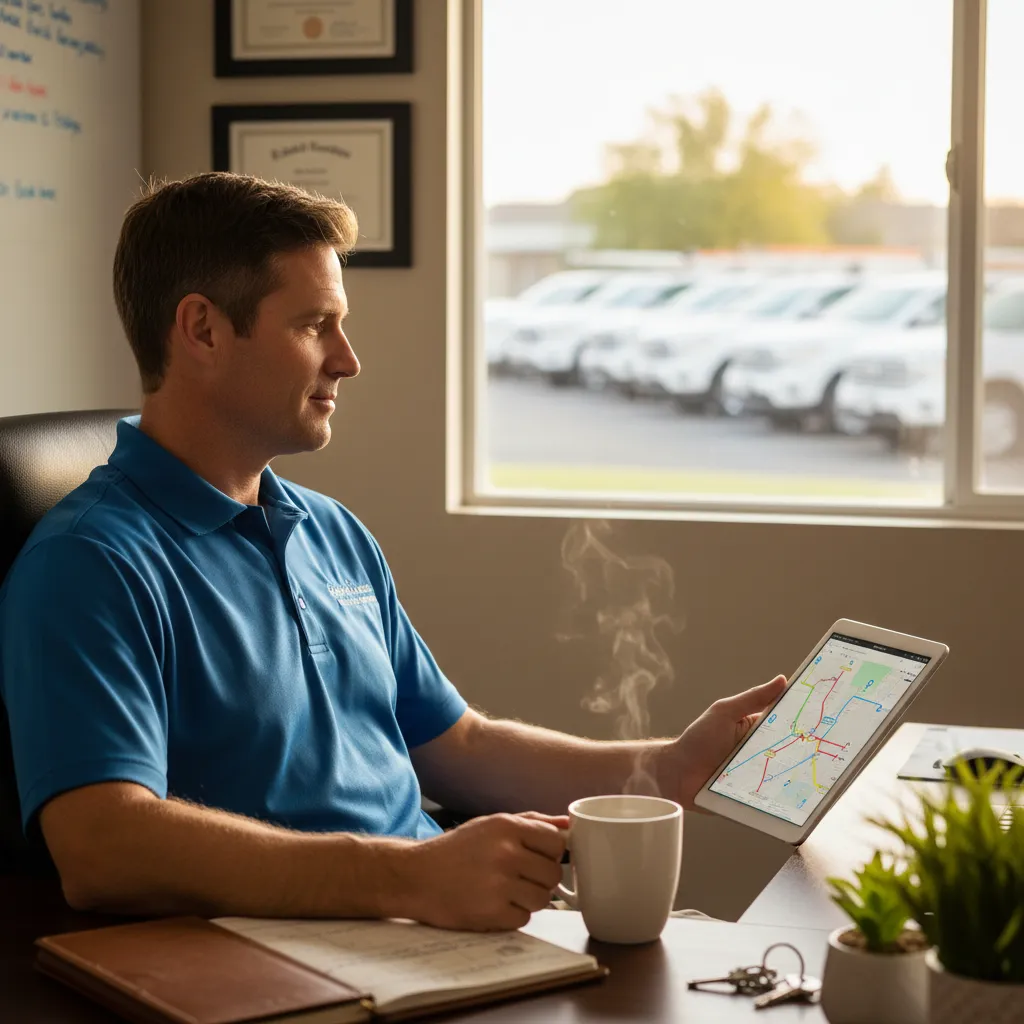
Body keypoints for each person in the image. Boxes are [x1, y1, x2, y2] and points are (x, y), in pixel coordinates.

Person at [0, 173, 786, 931]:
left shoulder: (330, 531)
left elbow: (459, 746)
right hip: (300, 953)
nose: (347, 359)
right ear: (203, 328)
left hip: (422, 925)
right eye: (314, 325)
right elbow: (101, 846)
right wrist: (409, 877)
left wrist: (670, 766)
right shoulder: (89, 564)